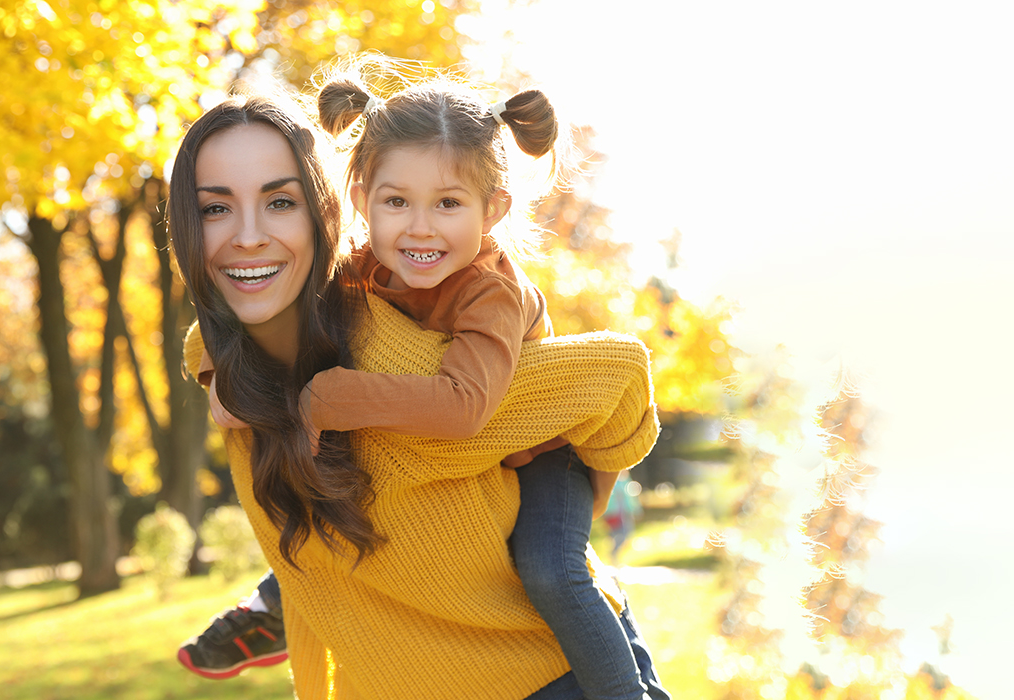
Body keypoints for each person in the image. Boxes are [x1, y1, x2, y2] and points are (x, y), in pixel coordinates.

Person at [166, 89, 667, 698]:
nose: (419, 226)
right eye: (396, 201)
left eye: (278, 202)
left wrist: (592, 480)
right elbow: (218, 331)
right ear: (361, 203)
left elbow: (597, 376)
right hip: (421, 660)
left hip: (543, 583)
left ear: (493, 211)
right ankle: (269, 603)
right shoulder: (351, 281)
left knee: (551, 569)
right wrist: (221, 372)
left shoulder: (470, 305)